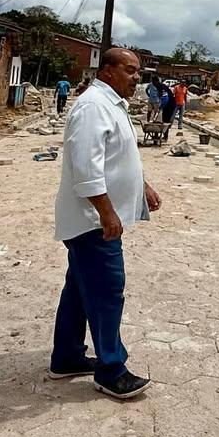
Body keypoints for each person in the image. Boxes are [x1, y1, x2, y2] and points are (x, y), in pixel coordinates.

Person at [50, 47, 162, 400]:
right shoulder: (93, 107)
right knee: (107, 292)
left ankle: (66, 357)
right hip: (92, 223)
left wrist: (142, 186)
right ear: (107, 70)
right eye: (130, 70)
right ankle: (111, 370)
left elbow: (118, 156)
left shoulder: (112, 104)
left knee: (79, 290)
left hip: (95, 219)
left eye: (138, 71)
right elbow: (86, 168)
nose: (136, 77)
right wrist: (106, 212)